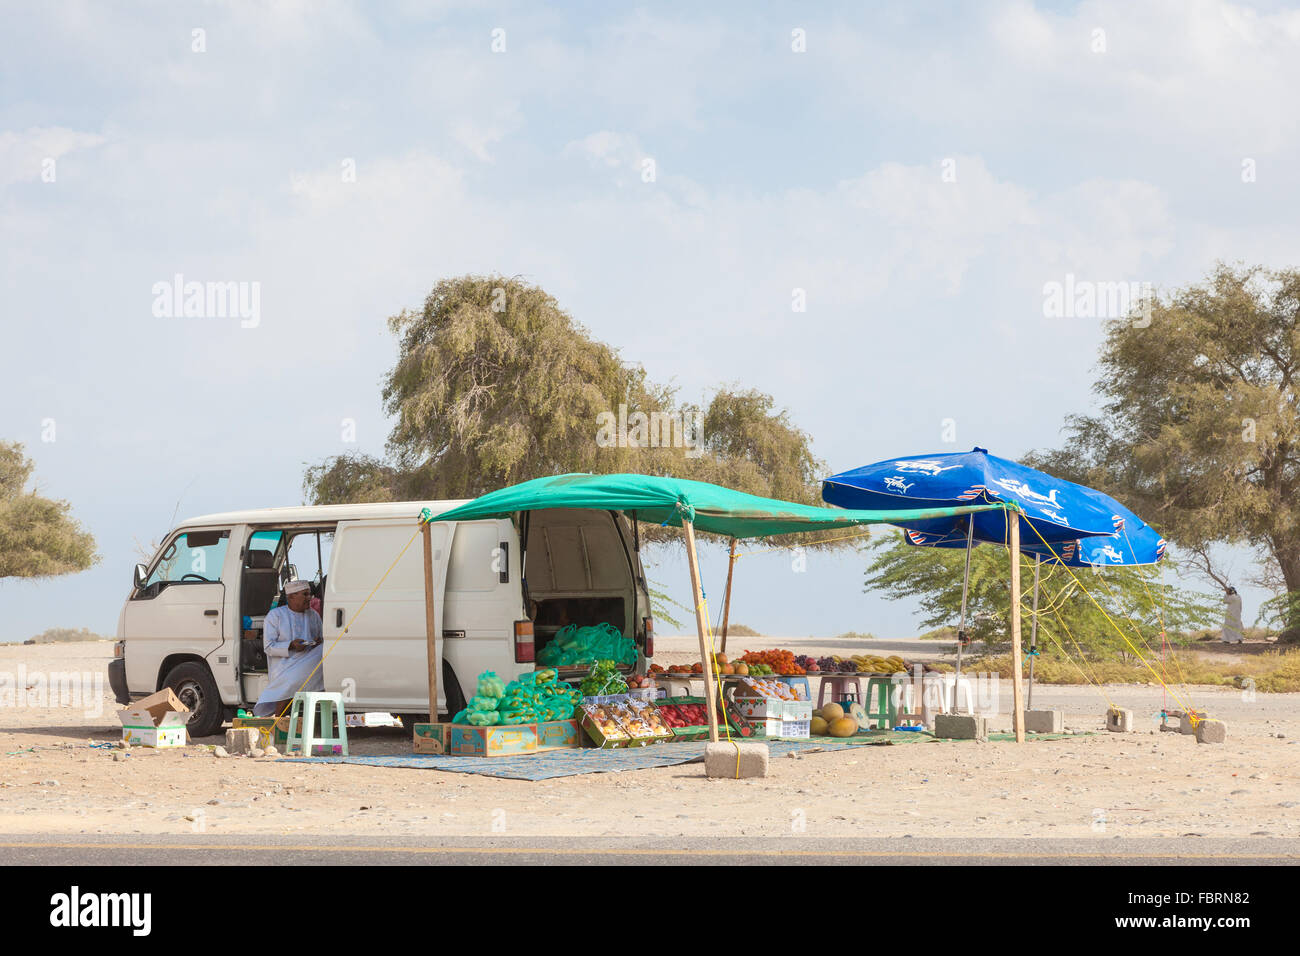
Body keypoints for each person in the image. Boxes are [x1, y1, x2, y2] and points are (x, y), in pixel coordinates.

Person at [253, 579, 324, 717]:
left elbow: (320, 638)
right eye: (305, 594)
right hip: (284, 665)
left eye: (309, 594)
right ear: (291, 596)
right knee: (293, 679)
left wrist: (316, 641)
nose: (309, 598)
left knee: (325, 651)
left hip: (308, 659)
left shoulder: (313, 615)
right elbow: (268, 647)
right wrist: (291, 645)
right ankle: (280, 719)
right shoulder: (275, 616)